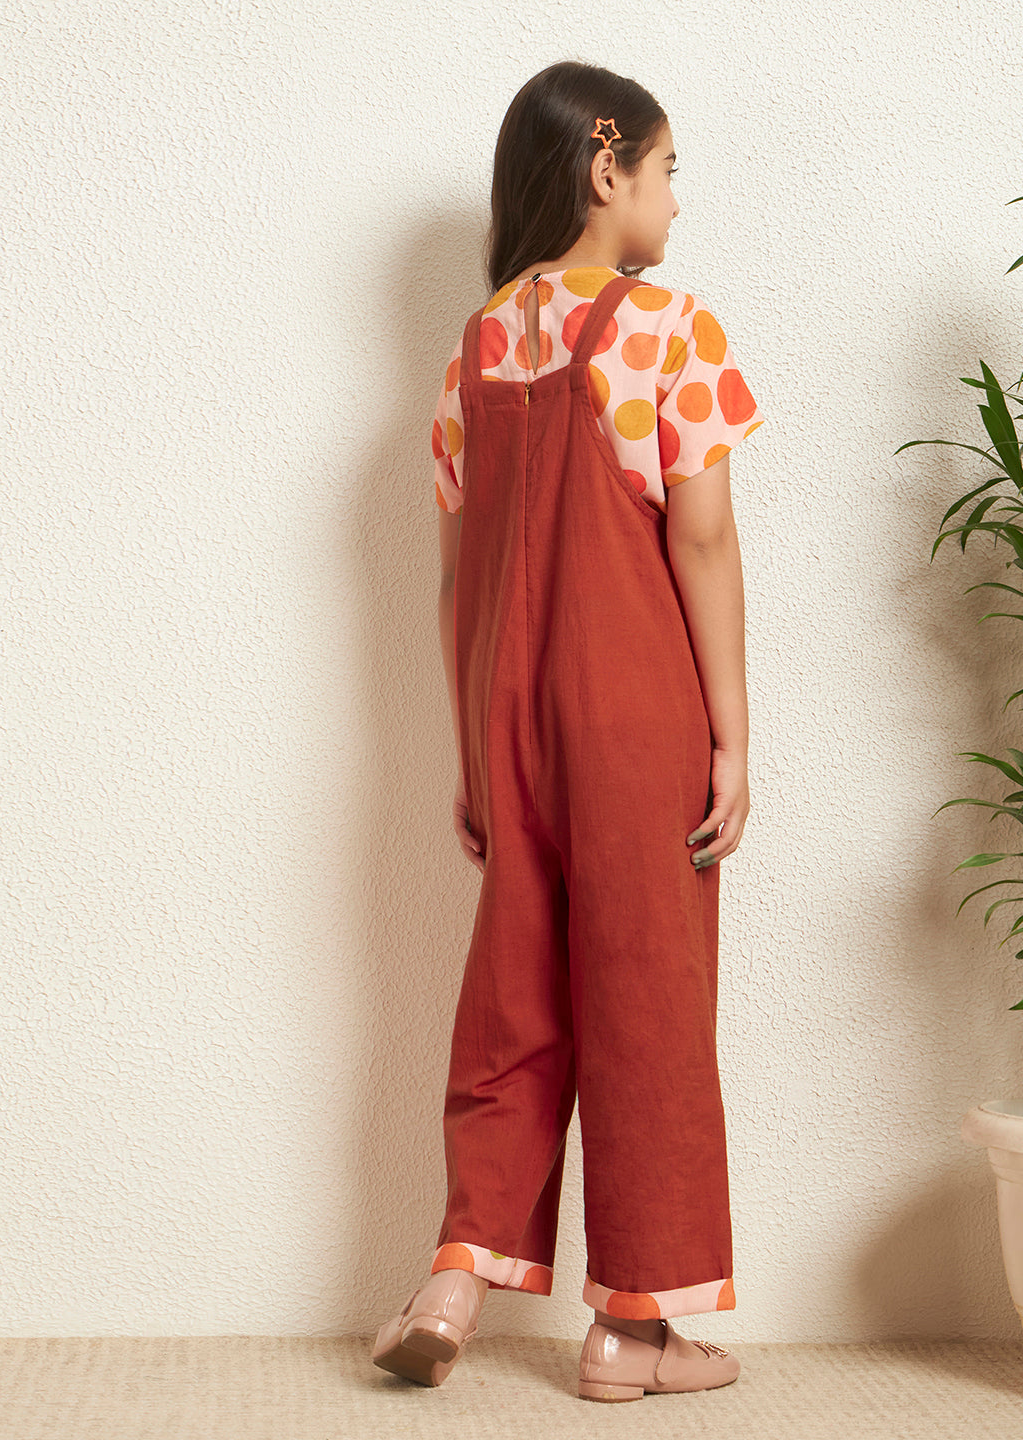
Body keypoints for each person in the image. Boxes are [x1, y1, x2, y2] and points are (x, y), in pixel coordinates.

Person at [373, 59, 764, 1402]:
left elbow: (456, 582)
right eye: (667, 172)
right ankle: (633, 1332)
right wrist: (731, 738)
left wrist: (475, 755)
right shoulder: (671, 330)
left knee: (517, 995)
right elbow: (700, 542)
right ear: (608, 169)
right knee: (649, 997)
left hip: (509, 719)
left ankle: (455, 1273)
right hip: (633, 710)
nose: (676, 203)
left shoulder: (476, 349)